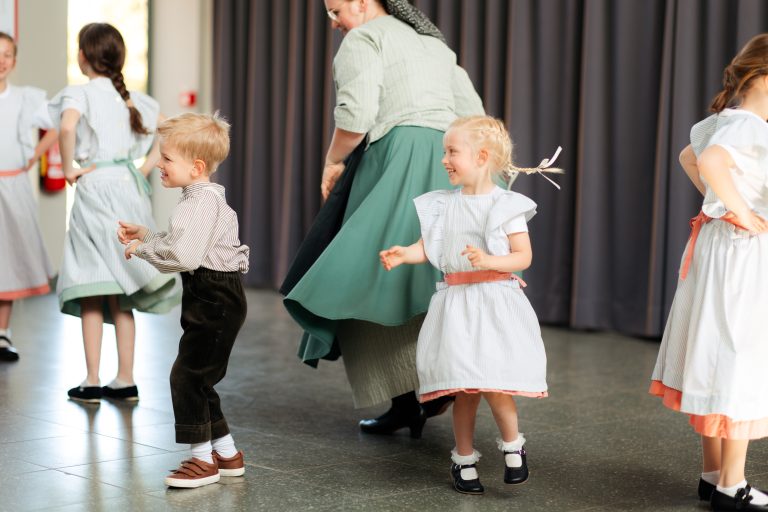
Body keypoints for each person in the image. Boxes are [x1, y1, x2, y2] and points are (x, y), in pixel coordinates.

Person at [281, 0, 484, 437]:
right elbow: (475, 115)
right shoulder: (434, 44)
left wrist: (332, 161)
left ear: (361, 2)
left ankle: (409, 399)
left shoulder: (364, 38)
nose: (333, 23)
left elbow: (355, 117)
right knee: (439, 278)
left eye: (335, 11)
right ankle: (437, 386)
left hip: (398, 158)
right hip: (450, 162)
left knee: (373, 277)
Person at [379, 115, 550, 494]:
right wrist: (406, 254)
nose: (444, 159)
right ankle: (464, 459)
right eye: (445, 152)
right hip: (457, 305)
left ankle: (513, 447)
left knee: (496, 384)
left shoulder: (505, 205)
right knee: (464, 389)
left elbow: (522, 256)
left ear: (481, 156)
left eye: (452, 151)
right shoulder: (443, 205)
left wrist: (490, 260)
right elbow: (429, 246)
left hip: (493, 303)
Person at [650, 33, 768, 512]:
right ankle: (731, 486)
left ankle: (713, 474)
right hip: (741, 251)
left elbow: (691, 156)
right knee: (741, 355)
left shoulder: (723, 121)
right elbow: (712, 160)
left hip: (718, 247)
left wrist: (719, 203)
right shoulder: (750, 126)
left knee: (719, 349)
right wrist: (740, 210)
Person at [48, 23, 179, 402]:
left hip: (94, 187)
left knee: (92, 285)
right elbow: (168, 131)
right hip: (127, 187)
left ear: (83, 56)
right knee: (124, 288)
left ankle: (91, 379)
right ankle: (125, 379)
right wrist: (143, 169)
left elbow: (67, 127)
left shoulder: (79, 93)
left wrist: (68, 167)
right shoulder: (133, 98)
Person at [119, 112, 249, 489]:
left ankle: (201, 461)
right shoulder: (201, 198)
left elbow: (184, 257)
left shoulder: (198, 204)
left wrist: (143, 250)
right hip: (214, 295)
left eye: (167, 158)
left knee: (187, 376)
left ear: (196, 167)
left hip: (214, 298)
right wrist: (147, 235)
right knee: (200, 378)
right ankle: (226, 454)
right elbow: (183, 242)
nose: (159, 163)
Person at [0, 31, 58, 362]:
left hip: (13, 186)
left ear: (15, 60)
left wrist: (35, 154)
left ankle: (3, 332)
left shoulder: (25, 98)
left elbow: (59, 123)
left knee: (9, 257)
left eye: (7, 54)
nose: (1, 61)